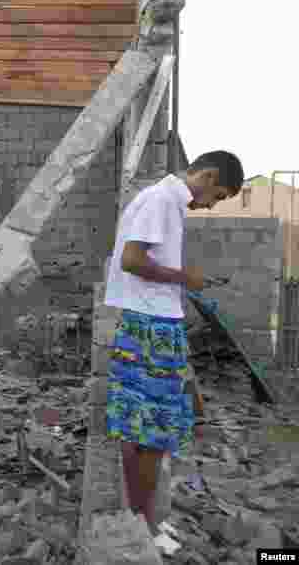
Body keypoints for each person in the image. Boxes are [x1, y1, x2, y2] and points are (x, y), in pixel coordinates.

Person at [103, 150, 243, 538]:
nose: (210, 206)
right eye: (217, 196)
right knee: (155, 433)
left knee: (141, 429)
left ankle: (138, 520)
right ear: (210, 176)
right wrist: (184, 278)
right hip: (152, 326)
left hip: (144, 321)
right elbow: (131, 259)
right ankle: (144, 527)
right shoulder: (164, 200)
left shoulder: (160, 199)